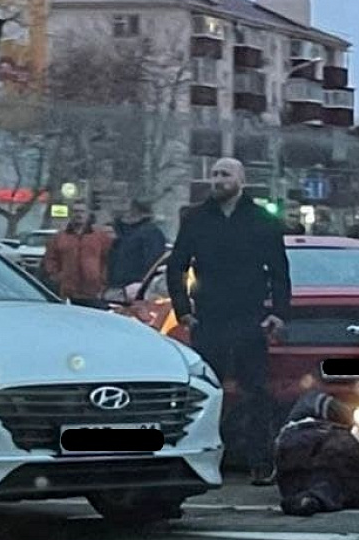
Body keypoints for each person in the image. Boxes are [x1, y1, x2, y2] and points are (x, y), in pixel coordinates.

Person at [165, 157, 292, 486]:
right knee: (207, 391)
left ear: (241, 180)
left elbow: (279, 271)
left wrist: (278, 312)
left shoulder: (261, 220)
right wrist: (184, 311)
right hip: (209, 317)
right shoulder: (196, 218)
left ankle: (260, 461)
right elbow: (176, 266)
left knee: (256, 391)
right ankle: (201, 456)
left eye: (225, 175)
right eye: (215, 174)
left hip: (249, 317)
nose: (218, 180)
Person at [42, 203, 112, 303]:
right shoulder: (60, 237)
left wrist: (103, 280)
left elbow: (108, 259)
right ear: (70, 214)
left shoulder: (100, 237)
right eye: (75, 211)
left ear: (88, 214)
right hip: (67, 292)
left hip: (94, 292)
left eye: (82, 211)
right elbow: (50, 259)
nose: (79, 215)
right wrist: (56, 277)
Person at [107, 199, 168, 298]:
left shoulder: (150, 233)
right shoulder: (125, 233)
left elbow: (153, 262)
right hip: (117, 286)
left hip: (133, 288)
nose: (125, 214)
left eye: (129, 210)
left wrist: (142, 284)